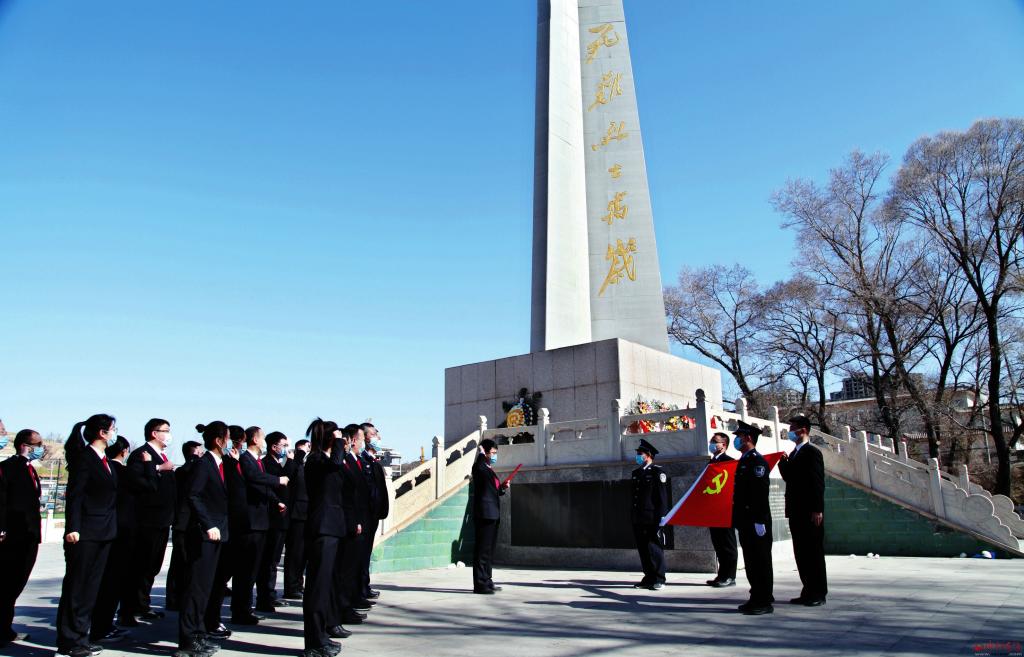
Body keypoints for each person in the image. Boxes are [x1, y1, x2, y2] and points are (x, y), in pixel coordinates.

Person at [56, 414, 120, 657]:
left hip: (104, 532)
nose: (114, 433)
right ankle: (69, 640)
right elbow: (76, 495)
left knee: (91, 589)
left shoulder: (104, 460)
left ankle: (82, 636)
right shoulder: (85, 458)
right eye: (112, 429)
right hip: (85, 533)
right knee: (77, 588)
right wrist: (73, 527)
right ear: (102, 433)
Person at [91, 436, 157, 644]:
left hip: (110, 529)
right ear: (124, 451)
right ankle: (104, 625)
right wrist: (150, 465)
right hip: (124, 531)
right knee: (116, 581)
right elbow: (150, 486)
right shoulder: (122, 472)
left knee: (108, 580)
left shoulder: (107, 469)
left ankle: (104, 622)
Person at [178, 422, 231, 657]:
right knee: (196, 588)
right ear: (219, 441)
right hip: (204, 535)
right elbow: (194, 495)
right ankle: (188, 640)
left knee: (205, 588)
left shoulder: (219, 464)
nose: (230, 443)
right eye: (227, 438)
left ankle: (199, 634)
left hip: (218, 534)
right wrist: (208, 524)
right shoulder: (204, 464)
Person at [122, 419, 176, 625]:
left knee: (152, 566)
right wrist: (157, 468)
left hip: (161, 520)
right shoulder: (141, 455)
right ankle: (132, 607)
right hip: (147, 520)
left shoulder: (161, 455)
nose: (168, 434)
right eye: (165, 431)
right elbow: (137, 482)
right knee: (140, 566)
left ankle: (142, 604)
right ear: (154, 433)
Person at [232, 426, 288, 624]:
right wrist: (277, 480)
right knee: (245, 570)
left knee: (253, 568)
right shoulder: (246, 459)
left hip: (261, 521)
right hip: (251, 521)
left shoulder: (256, 461)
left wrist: (276, 501)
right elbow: (254, 478)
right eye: (262, 437)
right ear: (255, 439)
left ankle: (246, 608)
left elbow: (261, 486)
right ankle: (240, 611)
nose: (264, 441)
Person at [302, 419, 346, 657]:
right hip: (322, 528)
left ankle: (321, 636)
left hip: (331, 527)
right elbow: (335, 464)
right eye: (338, 437)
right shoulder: (316, 460)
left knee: (325, 586)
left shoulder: (325, 460)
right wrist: (338, 443)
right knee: (317, 588)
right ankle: (314, 643)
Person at [0, 429, 45, 647]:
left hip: (29, 535)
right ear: (25, 446)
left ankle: (5, 628)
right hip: (14, 535)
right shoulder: (8, 468)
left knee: (16, 583)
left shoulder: (30, 469)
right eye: (37, 445)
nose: (41, 448)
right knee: (7, 583)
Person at [779, 416, 827, 606]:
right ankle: (807, 590)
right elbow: (790, 478)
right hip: (795, 510)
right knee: (801, 553)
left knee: (813, 553)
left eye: (793, 428)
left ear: (804, 430)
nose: (790, 431)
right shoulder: (794, 453)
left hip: (809, 511)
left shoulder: (812, 452)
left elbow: (817, 482)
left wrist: (817, 509)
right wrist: (783, 463)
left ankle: (818, 593)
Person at [731, 420, 774, 615]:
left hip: (756, 519)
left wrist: (759, 520)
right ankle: (756, 595)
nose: (737, 440)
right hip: (745, 519)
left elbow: (760, 494)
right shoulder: (745, 460)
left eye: (739, 437)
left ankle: (764, 600)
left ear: (748, 438)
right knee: (751, 561)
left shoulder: (757, 461)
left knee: (760, 561)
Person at [331, 424, 370, 629]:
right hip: (347, 522)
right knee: (344, 571)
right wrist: (354, 520)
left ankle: (348, 604)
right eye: (361, 439)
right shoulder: (341, 462)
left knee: (351, 568)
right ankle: (342, 608)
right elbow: (348, 496)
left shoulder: (354, 461)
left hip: (356, 520)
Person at [167, 440, 205, 611]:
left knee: (185, 561)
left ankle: (179, 596)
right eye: (199, 451)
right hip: (183, 521)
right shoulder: (185, 470)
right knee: (179, 561)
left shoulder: (189, 469)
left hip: (189, 522)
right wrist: (195, 460)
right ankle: (174, 598)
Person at [256, 431, 291, 612]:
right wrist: (277, 501)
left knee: (274, 560)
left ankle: (270, 594)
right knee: (269, 560)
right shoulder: (266, 464)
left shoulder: (278, 463)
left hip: (281, 518)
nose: (286, 448)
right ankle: (265, 596)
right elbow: (267, 487)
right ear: (274, 446)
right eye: (283, 445)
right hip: (273, 517)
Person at [630, 438, 670, 591]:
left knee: (654, 548)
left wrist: (662, 517)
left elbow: (662, 497)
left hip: (652, 517)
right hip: (638, 517)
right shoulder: (636, 473)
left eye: (640, 453)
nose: (638, 456)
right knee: (643, 549)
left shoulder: (657, 472)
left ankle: (659, 578)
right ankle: (648, 577)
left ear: (648, 455)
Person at [472, 438, 508, 594]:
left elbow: (492, 490)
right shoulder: (479, 467)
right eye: (492, 452)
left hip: (493, 514)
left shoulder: (489, 469)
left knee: (489, 551)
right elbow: (479, 468)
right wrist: (480, 454)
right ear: (485, 453)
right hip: (484, 514)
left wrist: (502, 488)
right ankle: (480, 584)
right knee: (482, 550)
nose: (494, 456)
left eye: (495, 453)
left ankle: (487, 580)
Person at [358, 423, 389, 601]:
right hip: (365, 515)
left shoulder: (373, 461)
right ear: (366, 437)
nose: (379, 438)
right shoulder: (362, 461)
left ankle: (364, 585)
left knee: (366, 553)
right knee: (361, 554)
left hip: (373, 514)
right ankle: (360, 589)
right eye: (375, 434)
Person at [706, 432, 737, 587]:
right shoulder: (710, 462)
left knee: (727, 544)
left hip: (725, 510)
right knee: (718, 544)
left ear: (723, 445)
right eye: (712, 440)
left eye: (715, 441)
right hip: (713, 510)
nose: (712, 443)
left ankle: (730, 576)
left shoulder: (729, 462)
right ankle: (721, 574)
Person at [283, 439, 310, 601]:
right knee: (295, 552)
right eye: (307, 446)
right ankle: (291, 586)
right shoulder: (294, 462)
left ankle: (298, 584)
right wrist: (299, 454)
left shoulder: (307, 464)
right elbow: (289, 475)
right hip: (296, 514)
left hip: (306, 513)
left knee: (302, 554)